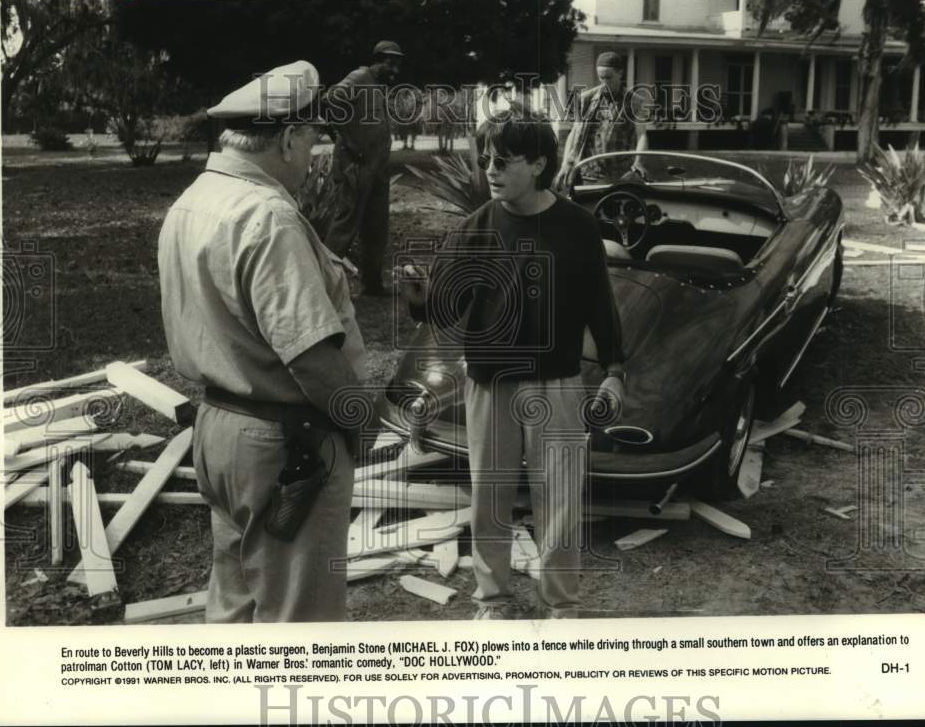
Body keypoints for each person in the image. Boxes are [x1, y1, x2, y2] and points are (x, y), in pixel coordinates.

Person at [395, 106, 625, 619]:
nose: (491, 170)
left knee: (560, 499)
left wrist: (614, 369)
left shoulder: (578, 227)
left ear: (540, 164)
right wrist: (417, 296)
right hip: (489, 385)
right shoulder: (473, 230)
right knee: (490, 497)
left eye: (504, 160)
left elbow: (600, 306)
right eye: (486, 160)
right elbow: (445, 312)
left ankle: (561, 605)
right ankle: (493, 599)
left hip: (558, 382)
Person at [158, 60, 368, 623]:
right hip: (286, 440)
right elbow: (312, 360)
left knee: (235, 601)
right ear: (289, 137)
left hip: (220, 428)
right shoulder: (270, 215)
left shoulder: (195, 198)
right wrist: (361, 422)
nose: (312, 158)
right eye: (311, 141)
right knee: (300, 621)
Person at [323, 40, 404, 296]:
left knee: (376, 226)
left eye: (397, 64)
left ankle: (372, 284)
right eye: (390, 63)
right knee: (344, 226)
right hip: (354, 166)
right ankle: (322, 287)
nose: (394, 69)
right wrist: (346, 141)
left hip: (377, 168)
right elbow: (328, 103)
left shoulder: (379, 86)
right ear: (378, 60)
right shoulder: (359, 77)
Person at [554, 51, 650, 196]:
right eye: (601, 78)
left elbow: (641, 134)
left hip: (620, 175)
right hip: (589, 175)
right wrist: (565, 164)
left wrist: (638, 162)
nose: (605, 82)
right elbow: (574, 133)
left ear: (620, 73)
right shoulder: (585, 100)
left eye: (609, 78)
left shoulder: (634, 101)